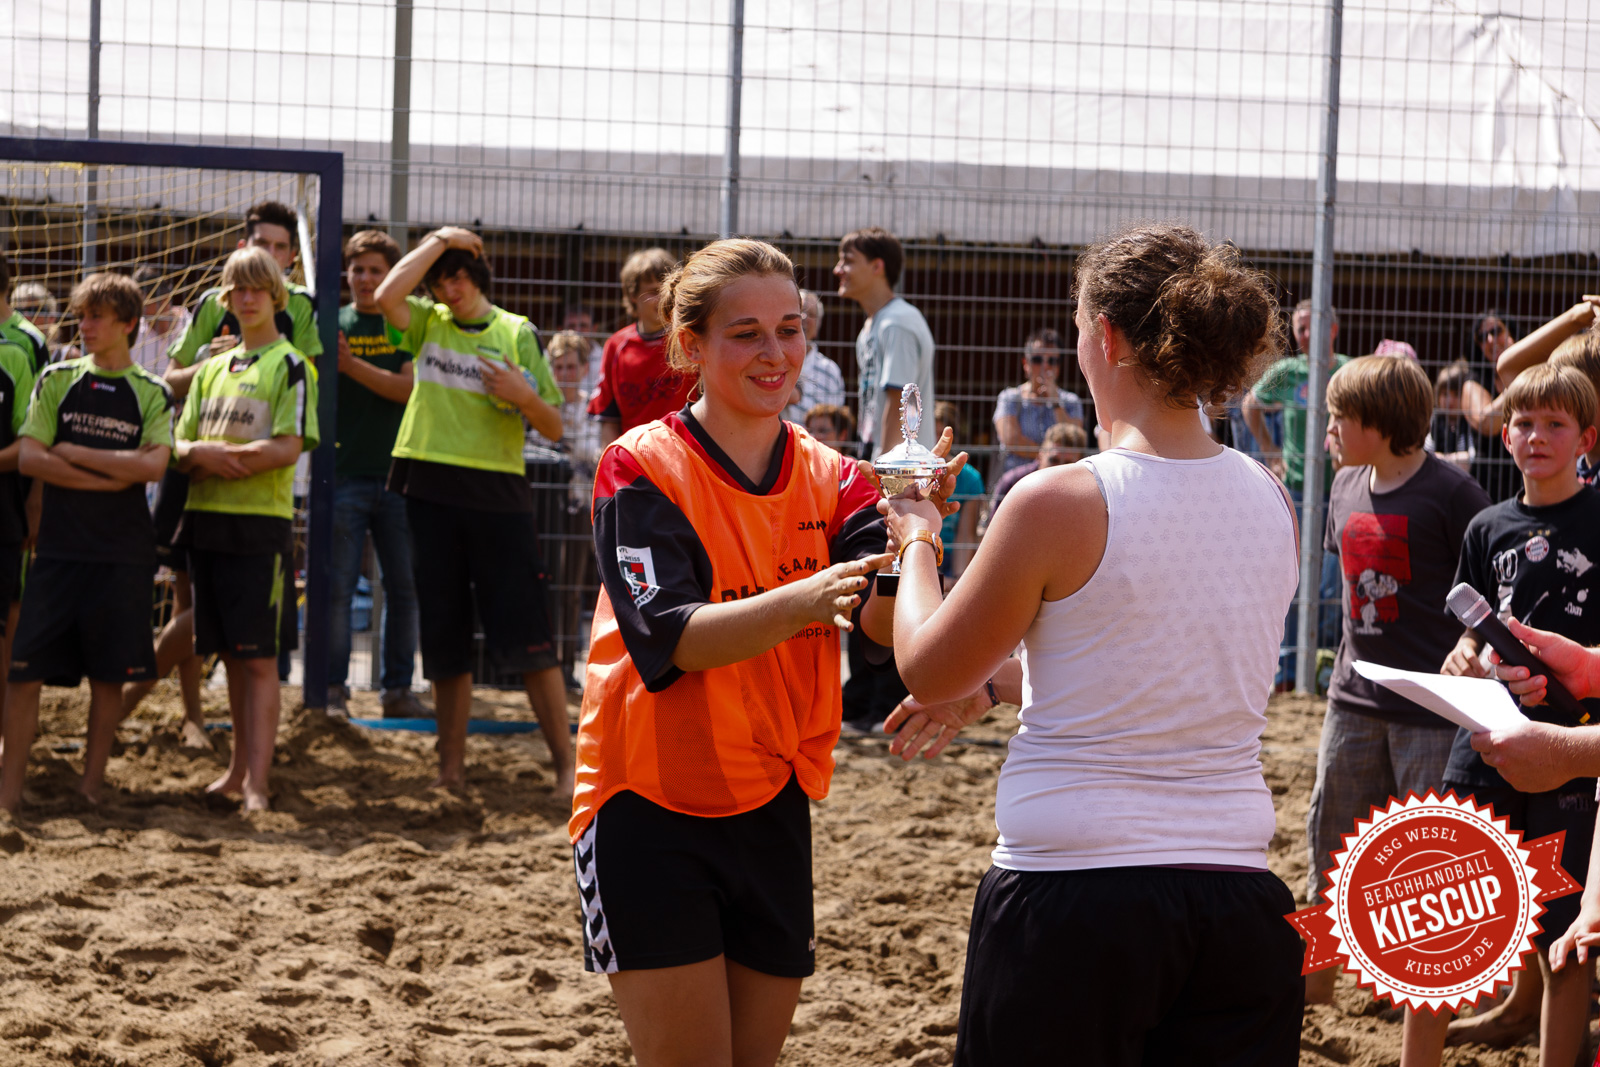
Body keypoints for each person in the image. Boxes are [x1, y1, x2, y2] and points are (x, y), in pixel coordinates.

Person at [877, 222, 1303, 1064]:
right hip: (1239, 899)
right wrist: (1003, 683)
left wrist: (920, 533)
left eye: (1077, 328)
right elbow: (1152, 658)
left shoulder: (1057, 500)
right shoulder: (1272, 497)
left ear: (1104, 336)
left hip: (1073, 898)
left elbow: (925, 663)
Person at [569, 237, 895, 1067]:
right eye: (745, 332)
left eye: (789, 328)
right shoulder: (639, 466)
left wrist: (920, 533)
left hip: (773, 797)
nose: (775, 352)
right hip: (648, 801)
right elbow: (672, 637)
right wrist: (813, 596)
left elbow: (886, 624)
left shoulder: (840, 476)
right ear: (691, 344)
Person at [1300, 358, 1491, 1035]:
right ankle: (1315, 992)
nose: (1326, 431)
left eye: (1337, 418)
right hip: (1351, 699)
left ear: (1378, 422)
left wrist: (1472, 645)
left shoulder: (1453, 495)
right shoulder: (1347, 483)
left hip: (1432, 712)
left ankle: (1416, 989)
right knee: (1331, 837)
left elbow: (1490, 596)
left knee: (1425, 863)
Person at [1427, 363, 1600, 1067]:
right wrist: (1461, 654)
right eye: (1525, 423)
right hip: (1486, 739)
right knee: (1450, 899)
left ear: (1588, 437)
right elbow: (1471, 628)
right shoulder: (1486, 526)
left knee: (1564, 921)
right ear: (1504, 431)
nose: (1536, 437)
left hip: (1571, 743)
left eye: (1556, 424)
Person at [374, 226, 573, 794]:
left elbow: (555, 426)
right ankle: (450, 770)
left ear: (478, 276)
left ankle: (566, 767)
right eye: (439, 279)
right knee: (443, 636)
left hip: (496, 496)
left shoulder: (515, 333)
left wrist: (525, 396)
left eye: (457, 275)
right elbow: (387, 296)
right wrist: (439, 240)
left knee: (530, 634)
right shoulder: (429, 324)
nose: (447, 288)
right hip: (428, 487)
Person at [0, 272, 172, 813]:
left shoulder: (153, 390)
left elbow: (154, 465)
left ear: (128, 324)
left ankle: (90, 788)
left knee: (107, 677)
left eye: (97, 316)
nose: (86, 325)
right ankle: (8, 795)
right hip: (56, 551)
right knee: (25, 673)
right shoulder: (57, 377)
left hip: (121, 554)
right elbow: (31, 457)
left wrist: (74, 453)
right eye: (82, 315)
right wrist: (112, 473)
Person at [173, 247, 319, 812]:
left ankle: (259, 782)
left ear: (277, 296)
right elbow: (178, 446)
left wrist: (231, 458)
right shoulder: (209, 368)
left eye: (259, 287)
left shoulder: (291, 365)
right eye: (238, 289)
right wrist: (204, 454)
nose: (248, 297)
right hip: (206, 522)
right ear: (226, 300)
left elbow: (288, 445)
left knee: (258, 658)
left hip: (260, 526)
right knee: (230, 655)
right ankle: (235, 772)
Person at [328, 229, 425, 718]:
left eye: (375, 270)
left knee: (404, 589)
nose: (365, 278)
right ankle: (331, 690)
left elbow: (407, 389)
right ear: (346, 273)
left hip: (399, 477)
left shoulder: (401, 323)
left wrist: (351, 366)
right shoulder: (333, 322)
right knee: (338, 589)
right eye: (358, 269)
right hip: (342, 474)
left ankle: (397, 692)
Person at [1245, 298, 1347, 679]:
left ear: (1332, 330)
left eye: (1313, 326)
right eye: (1300, 328)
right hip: (1298, 492)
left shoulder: (1347, 370)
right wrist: (1271, 452)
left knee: (1332, 580)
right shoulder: (1288, 371)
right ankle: (1287, 668)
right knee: (1294, 576)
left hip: (1337, 491)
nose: (1305, 335)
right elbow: (1251, 404)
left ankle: (1321, 663)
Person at [834, 226, 935, 458]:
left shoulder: (896, 322)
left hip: (902, 470)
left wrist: (884, 473)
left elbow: (899, 401)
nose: (838, 270)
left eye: (847, 261)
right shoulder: (873, 325)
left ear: (877, 266)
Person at [588, 248, 691, 449]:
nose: (663, 298)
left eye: (668, 289)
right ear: (633, 295)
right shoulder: (617, 345)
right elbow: (609, 418)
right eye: (653, 291)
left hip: (687, 455)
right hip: (637, 459)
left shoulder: (689, 339)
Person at [0, 256, 44, 720]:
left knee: (12, 607)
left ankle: (10, 723)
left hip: (11, 503)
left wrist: (37, 497)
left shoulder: (25, 344)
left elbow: (37, 429)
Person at [991, 327, 1084, 474]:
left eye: (1052, 361)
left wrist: (1055, 401)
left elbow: (1074, 441)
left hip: (1057, 479)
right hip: (1015, 481)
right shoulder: (1010, 397)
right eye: (1037, 359)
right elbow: (1011, 440)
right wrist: (1050, 456)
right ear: (1025, 364)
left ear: (1059, 366)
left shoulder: (1070, 401)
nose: (1045, 366)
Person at [1457, 308, 1517, 503]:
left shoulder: (1532, 369)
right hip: (1490, 482)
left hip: (1528, 472)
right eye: (1483, 337)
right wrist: (1520, 381)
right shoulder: (1474, 381)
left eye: (1497, 331)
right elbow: (1486, 422)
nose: (1491, 340)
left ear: (1512, 332)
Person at [984, 421, 1087, 522]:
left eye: (1067, 464)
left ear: (1080, 462)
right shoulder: (1013, 482)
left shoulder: (1087, 492)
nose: (1059, 469)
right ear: (1040, 455)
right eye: (1054, 460)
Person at [932, 401, 984, 580]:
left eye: (942, 435)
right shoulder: (912, 475)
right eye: (932, 434)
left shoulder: (970, 479)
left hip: (950, 559)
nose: (936, 441)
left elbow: (966, 534)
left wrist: (957, 579)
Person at [782, 289, 846, 423]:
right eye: (800, 311)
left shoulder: (830, 370)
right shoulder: (773, 360)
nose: (804, 317)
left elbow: (834, 422)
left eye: (811, 314)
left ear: (818, 326)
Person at [128, 266, 189, 377]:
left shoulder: (190, 326)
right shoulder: (132, 332)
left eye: (143, 302)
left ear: (164, 299)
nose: (137, 308)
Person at [1426, 360, 1474, 472]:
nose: (1450, 401)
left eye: (1456, 395)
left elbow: (1471, 457)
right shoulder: (1433, 420)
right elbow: (1426, 454)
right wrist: (1454, 459)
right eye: (1445, 394)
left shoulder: (1468, 422)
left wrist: (1443, 459)